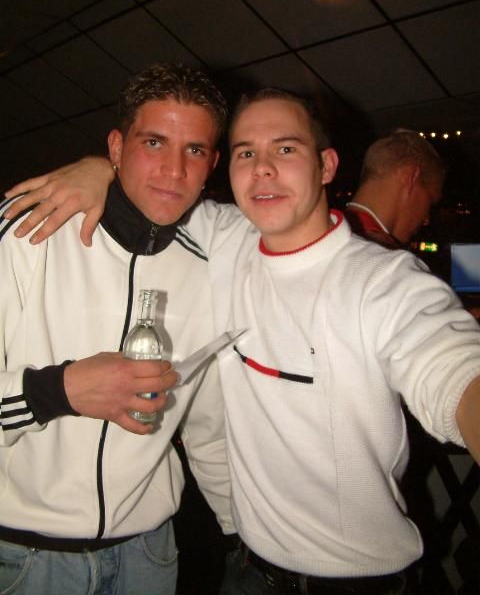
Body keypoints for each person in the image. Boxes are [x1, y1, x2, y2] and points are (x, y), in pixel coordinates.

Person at [5, 87, 480, 595]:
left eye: (286, 148)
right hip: (219, 568)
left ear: (326, 165)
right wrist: (97, 169)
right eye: (246, 153)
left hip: (339, 580)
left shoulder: (385, 283)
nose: (263, 169)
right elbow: (150, 190)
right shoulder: (219, 238)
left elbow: (452, 368)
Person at [0, 63, 234, 595]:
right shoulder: (28, 230)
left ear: (212, 163)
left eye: (194, 150)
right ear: (116, 147)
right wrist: (58, 390)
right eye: (154, 142)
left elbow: (208, 424)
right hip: (27, 558)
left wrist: (236, 527)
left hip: (149, 555)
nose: (174, 170)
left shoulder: (211, 266)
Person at [345, 129, 445, 248]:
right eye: (430, 201)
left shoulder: (331, 234)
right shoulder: (387, 256)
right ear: (410, 178)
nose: (426, 220)